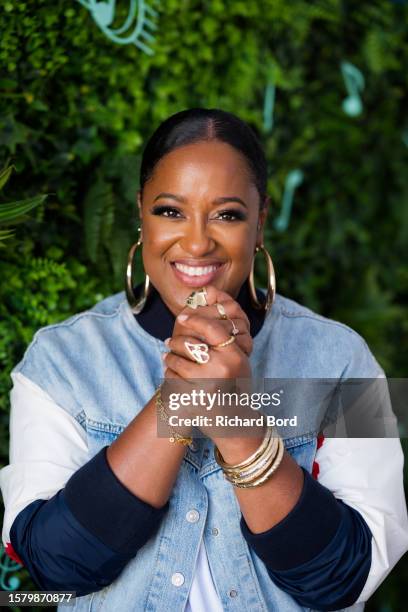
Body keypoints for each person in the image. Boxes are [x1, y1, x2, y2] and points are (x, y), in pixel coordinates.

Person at [0, 108, 407, 612]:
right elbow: (50, 567)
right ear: (140, 212)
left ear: (260, 222)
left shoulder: (348, 359)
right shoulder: (57, 361)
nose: (196, 242)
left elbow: (352, 576)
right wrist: (182, 398)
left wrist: (237, 423)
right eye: (170, 211)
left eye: (227, 214)